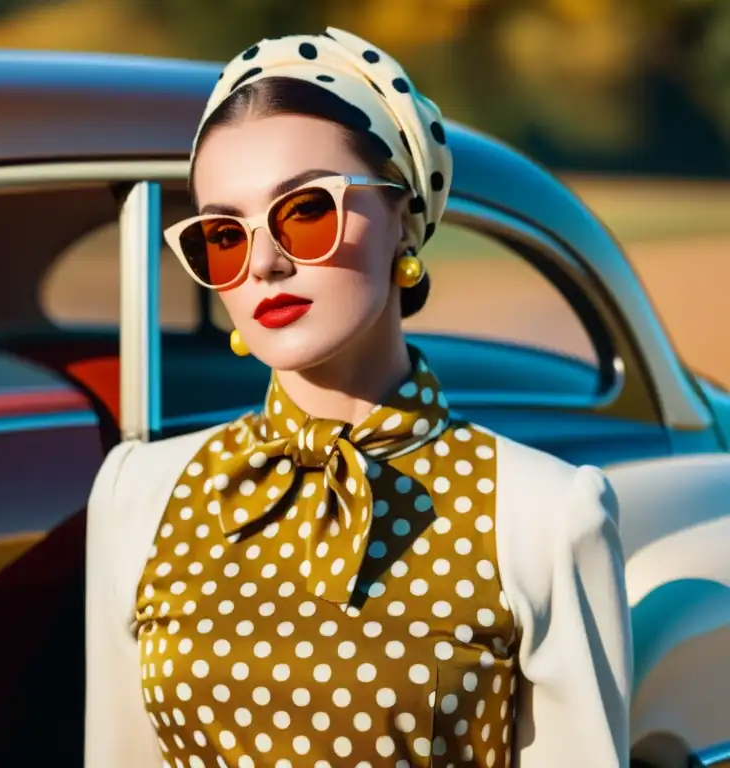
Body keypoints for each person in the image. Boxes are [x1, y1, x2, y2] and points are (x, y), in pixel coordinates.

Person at [85, 27, 632, 768]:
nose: (266, 263)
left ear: (404, 218)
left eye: (306, 210)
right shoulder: (138, 495)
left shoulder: (542, 514)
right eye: (224, 233)